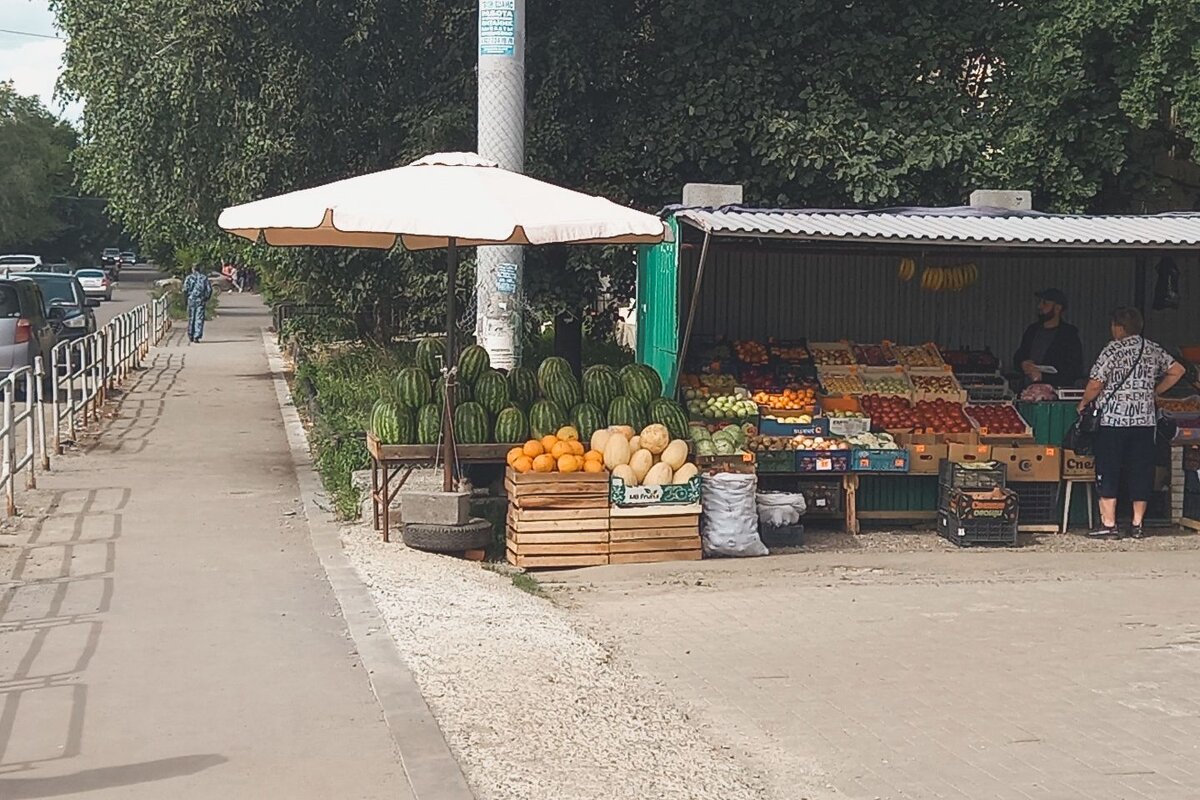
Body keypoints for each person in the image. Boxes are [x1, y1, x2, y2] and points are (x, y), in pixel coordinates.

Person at [1077, 307, 1185, 539]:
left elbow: (1096, 383)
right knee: (1141, 470)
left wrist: (1084, 401)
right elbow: (1178, 370)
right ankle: (1137, 525)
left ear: (1118, 327)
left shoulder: (1112, 349)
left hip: (1113, 421)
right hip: (1145, 422)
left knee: (1109, 468)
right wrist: (1155, 391)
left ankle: (1109, 524)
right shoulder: (1152, 348)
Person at [1013, 288, 1084, 388]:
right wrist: (1023, 364)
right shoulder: (1032, 330)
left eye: (1045, 303)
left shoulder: (1069, 335)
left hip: (1054, 395)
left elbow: (1074, 370)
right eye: (1040, 302)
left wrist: (1043, 377)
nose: (1039, 306)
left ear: (1058, 308)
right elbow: (1019, 355)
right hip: (1027, 393)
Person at [182, 264, 214, 343]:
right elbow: (209, 290)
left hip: (191, 299)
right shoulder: (204, 278)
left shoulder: (189, 278)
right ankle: (197, 335)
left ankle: (190, 334)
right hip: (200, 300)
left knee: (191, 317)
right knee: (199, 318)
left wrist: (185, 300)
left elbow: (185, 290)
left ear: (193, 269)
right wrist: (206, 298)